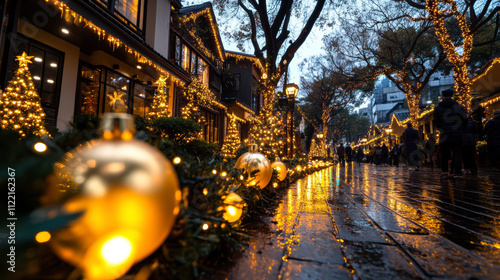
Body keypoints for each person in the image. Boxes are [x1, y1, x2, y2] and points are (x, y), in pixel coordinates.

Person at [433, 89, 467, 179]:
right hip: (457, 132)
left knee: (444, 153)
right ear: (452, 95)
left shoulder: (438, 107)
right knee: (457, 153)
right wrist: (461, 128)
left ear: (442, 96)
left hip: (444, 133)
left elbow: (436, 121)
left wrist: (441, 128)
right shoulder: (458, 106)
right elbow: (465, 118)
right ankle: (457, 173)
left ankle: (444, 172)